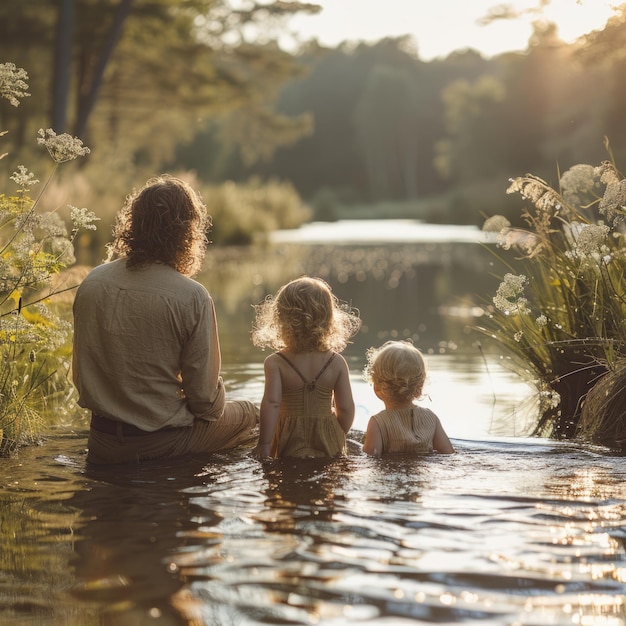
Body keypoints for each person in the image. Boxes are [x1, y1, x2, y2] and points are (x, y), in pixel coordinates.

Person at [72, 175, 258, 464]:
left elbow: (81, 376)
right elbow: (206, 404)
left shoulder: (92, 282)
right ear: (186, 233)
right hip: (160, 444)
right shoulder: (192, 296)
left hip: (101, 441)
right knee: (252, 415)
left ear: (132, 224)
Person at [250, 276, 361, 459]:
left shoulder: (275, 362)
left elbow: (272, 403)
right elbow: (347, 408)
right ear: (328, 319)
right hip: (329, 439)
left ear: (281, 319)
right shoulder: (337, 362)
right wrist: (336, 433)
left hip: (289, 439)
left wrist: (264, 444)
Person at [362, 340, 455, 455]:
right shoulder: (431, 417)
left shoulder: (378, 423)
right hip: (424, 471)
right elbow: (448, 453)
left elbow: (371, 457)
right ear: (420, 385)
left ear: (377, 386)